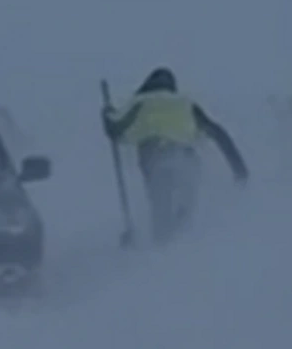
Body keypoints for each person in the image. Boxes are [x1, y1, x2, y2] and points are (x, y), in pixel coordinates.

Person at [103, 67, 248, 243]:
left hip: (156, 157)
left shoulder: (141, 101)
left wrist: (107, 113)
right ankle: (185, 256)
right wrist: (239, 169)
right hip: (187, 160)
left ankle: (160, 255)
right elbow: (218, 134)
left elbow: (116, 129)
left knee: (162, 216)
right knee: (185, 218)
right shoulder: (186, 103)